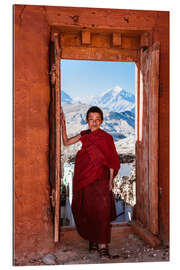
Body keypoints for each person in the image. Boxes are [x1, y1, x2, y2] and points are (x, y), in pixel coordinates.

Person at [61, 106, 120, 259]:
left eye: (97, 120)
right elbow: (66, 142)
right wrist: (63, 125)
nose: (94, 123)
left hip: (101, 180)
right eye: (91, 120)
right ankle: (93, 241)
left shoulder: (107, 138)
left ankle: (103, 247)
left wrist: (110, 181)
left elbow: (112, 161)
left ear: (102, 121)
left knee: (102, 211)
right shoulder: (84, 135)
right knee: (88, 210)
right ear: (87, 120)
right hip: (85, 179)